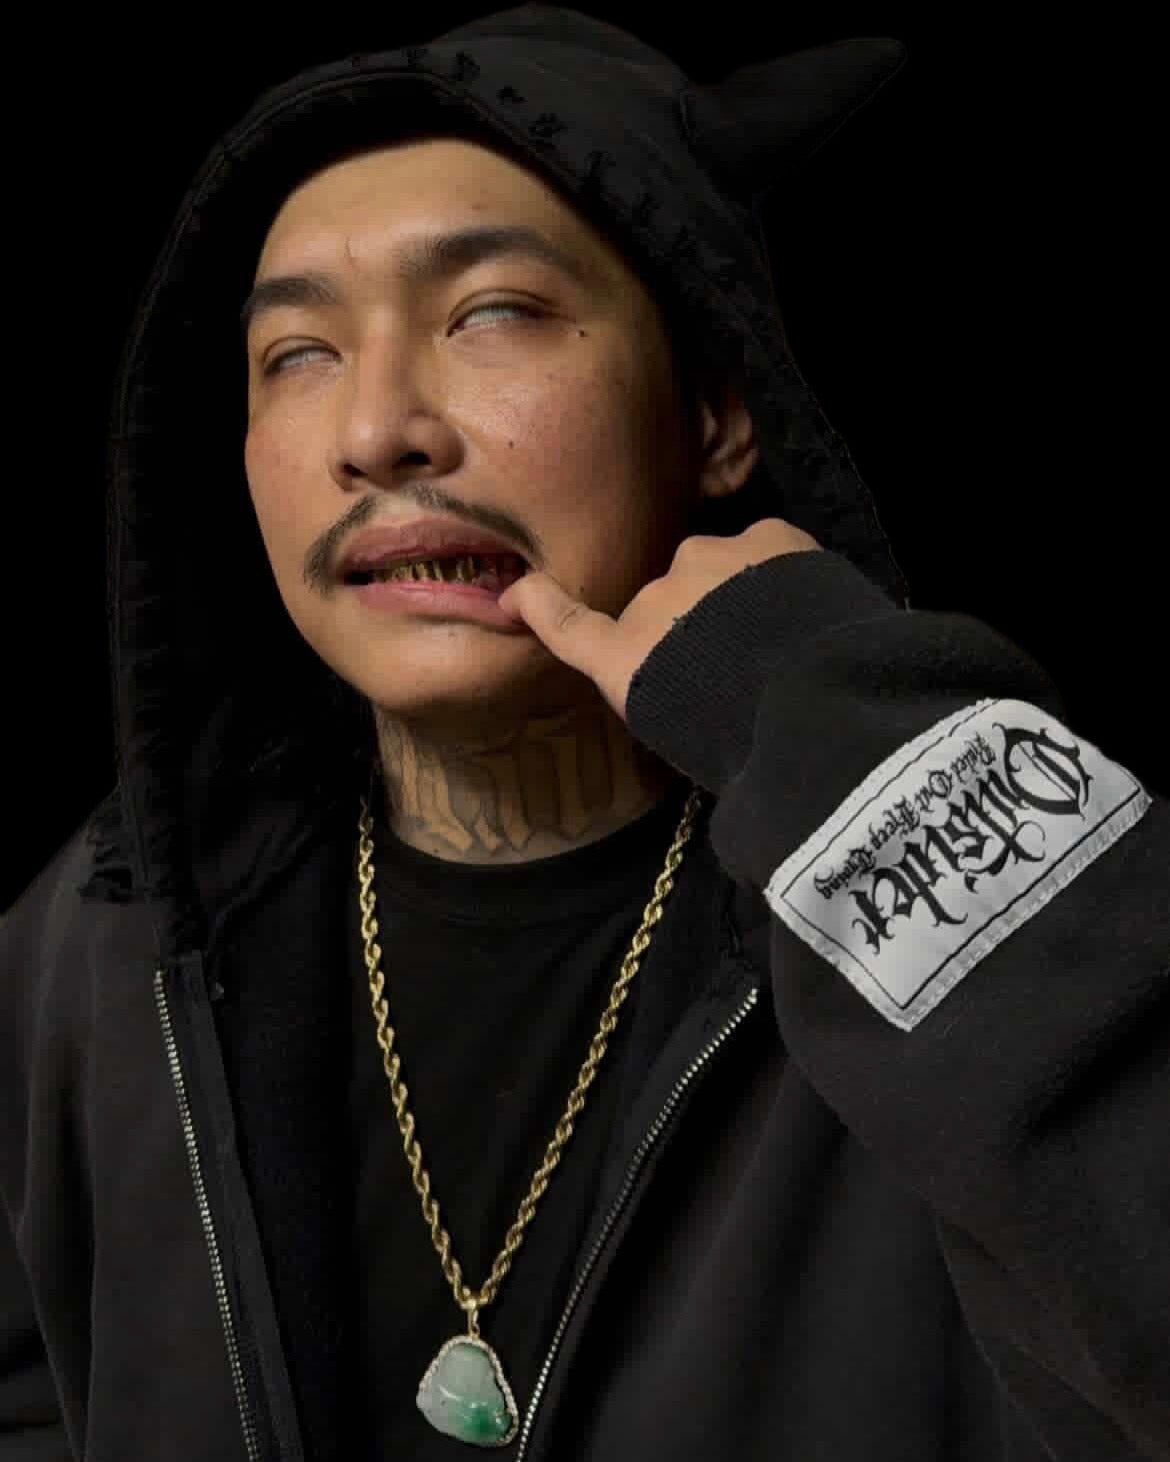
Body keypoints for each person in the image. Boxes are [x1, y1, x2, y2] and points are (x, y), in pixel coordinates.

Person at [1, 6, 1166, 1460]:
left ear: (716, 412)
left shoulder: (883, 801)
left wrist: (858, 753)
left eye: (490, 313)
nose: (376, 430)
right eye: (296, 352)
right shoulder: (104, 937)